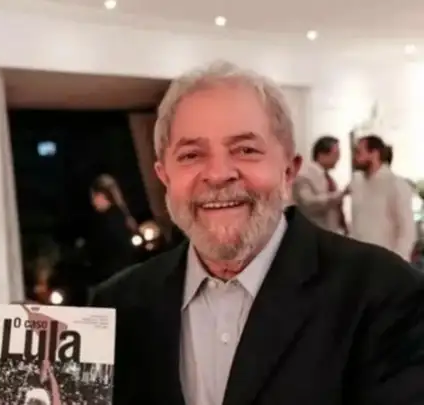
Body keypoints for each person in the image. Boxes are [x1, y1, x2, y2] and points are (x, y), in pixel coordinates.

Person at [73, 62, 419, 404]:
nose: (218, 174)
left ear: (289, 170)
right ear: (165, 177)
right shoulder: (114, 306)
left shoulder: (386, 292)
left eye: (245, 150)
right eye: (191, 155)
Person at [350, 135, 416, 261]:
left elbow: (407, 230)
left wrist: (397, 261)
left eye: (359, 152)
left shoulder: (396, 184)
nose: (355, 157)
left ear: (374, 153)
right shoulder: (357, 183)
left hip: (385, 261)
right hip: (359, 260)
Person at [86, 174, 139, 284]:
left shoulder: (111, 219)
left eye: (94, 197)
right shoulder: (117, 215)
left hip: (120, 272)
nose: (93, 202)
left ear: (102, 195)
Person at [292, 135, 348, 233]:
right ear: (321, 154)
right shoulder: (304, 175)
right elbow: (308, 203)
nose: (338, 158)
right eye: (336, 154)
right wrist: (338, 196)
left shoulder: (328, 178)